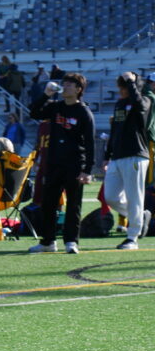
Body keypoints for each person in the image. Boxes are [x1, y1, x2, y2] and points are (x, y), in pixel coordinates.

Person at [27, 74, 96, 253]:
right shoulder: (56, 107)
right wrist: (45, 95)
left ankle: (71, 241)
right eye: (63, 84)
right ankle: (48, 242)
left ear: (79, 89)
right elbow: (34, 112)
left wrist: (87, 170)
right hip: (54, 163)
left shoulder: (84, 112)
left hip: (74, 164)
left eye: (69, 85)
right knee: (48, 203)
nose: (64, 87)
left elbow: (90, 143)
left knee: (73, 204)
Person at [103, 71, 152, 250]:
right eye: (121, 86)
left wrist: (132, 82)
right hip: (117, 156)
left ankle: (133, 237)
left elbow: (139, 105)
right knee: (111, 197)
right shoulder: (119, 104)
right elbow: (114, 130)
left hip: (135, 155)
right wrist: (107, 155)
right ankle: (140, 216)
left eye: (125, 86)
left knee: (135, 198)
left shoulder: (146, 100)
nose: (122, 90)